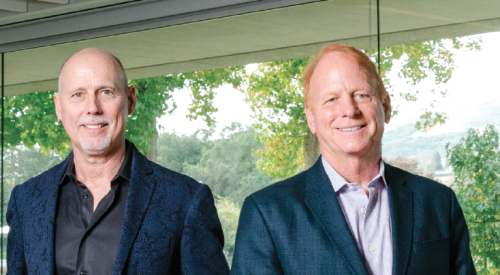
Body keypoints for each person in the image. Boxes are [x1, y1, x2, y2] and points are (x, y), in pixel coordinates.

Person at [231, 44, 476, 275]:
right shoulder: (266, 213)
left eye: (361, 95)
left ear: (385, 106)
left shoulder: (439, 203)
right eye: (331, 99)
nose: (349, 110)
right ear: (312, 119)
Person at [7, 48, 229, 275]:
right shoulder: (26, 201)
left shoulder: (186, 200)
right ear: (58, 106)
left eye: (105, 92)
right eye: (78, 94)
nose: (92, 108)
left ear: (130, 100)